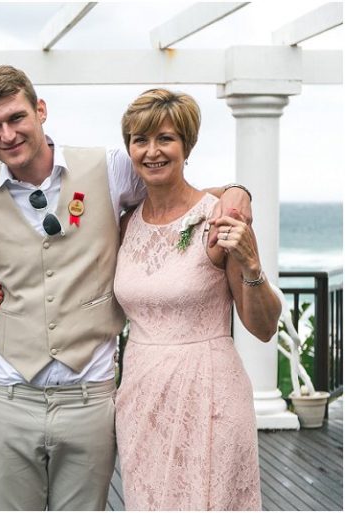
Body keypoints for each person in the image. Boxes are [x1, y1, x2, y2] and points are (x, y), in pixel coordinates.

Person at [0, 65, 254, 510]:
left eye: (16, 118)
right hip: (9, 395)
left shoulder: (109, 168)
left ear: (40, 110)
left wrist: (236, 191)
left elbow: (174, 190)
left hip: (90, 396)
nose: (7, 134)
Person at [114, 88, 281, 510]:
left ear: (187, 146)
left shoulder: (220, 218)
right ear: (129, 148)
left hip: (209, 393)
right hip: (140, 395)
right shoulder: (126, 224)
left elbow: (263, 328)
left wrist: (252, 264)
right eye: (140, 140)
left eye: (165, 139)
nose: (152, 151)